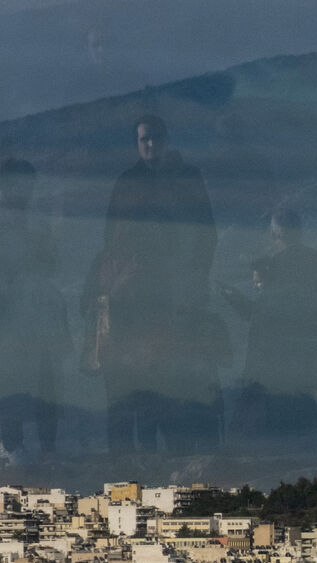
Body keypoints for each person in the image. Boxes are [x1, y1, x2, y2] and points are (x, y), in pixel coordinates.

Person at [94, 114, 218, 453]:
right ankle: (134, 454)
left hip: (177, 289)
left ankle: (176, 448)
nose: (151, 145)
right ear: (137, 143)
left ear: (166, 139)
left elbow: (207, 232)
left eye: (156, 138)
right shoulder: (127, 182)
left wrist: (197, 276)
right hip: (134, 293)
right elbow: (110, 237)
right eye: (144, 139)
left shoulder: (188, 178)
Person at [0, 158, 68, 458]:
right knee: (11, 383)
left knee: (46, 381)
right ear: (5, 184)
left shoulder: (39, 220)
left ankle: (49, 449)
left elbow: (53, 264)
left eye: (28, 184)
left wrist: (45, 248)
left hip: (41, 312)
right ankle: (15, 450)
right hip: (9, 312)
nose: (24, 189)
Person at [220, 203, 317, 437]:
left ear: (274, 234)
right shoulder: (316, 260)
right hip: (306, 360)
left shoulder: (273, 264)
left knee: (277, 426)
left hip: (275, 363)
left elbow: (262, 315)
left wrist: (234, 298)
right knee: (303, 422)